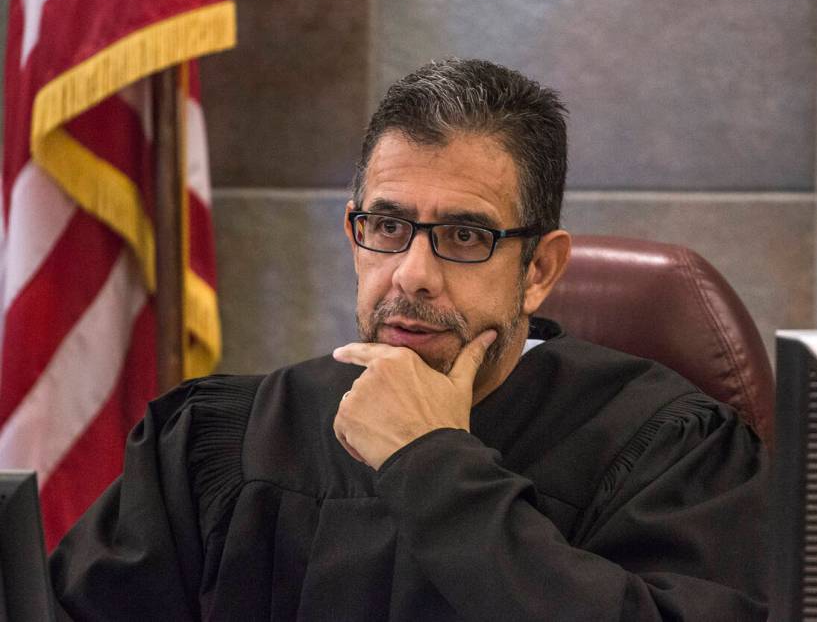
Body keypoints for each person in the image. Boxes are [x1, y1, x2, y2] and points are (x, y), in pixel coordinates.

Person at [51, 58, 768, 620]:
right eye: (388, 227)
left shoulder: (669, 453)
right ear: (354, 235)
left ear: (539, 269)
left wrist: (430, 463)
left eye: (464, 235)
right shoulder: (220, 442)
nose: (413, 274)